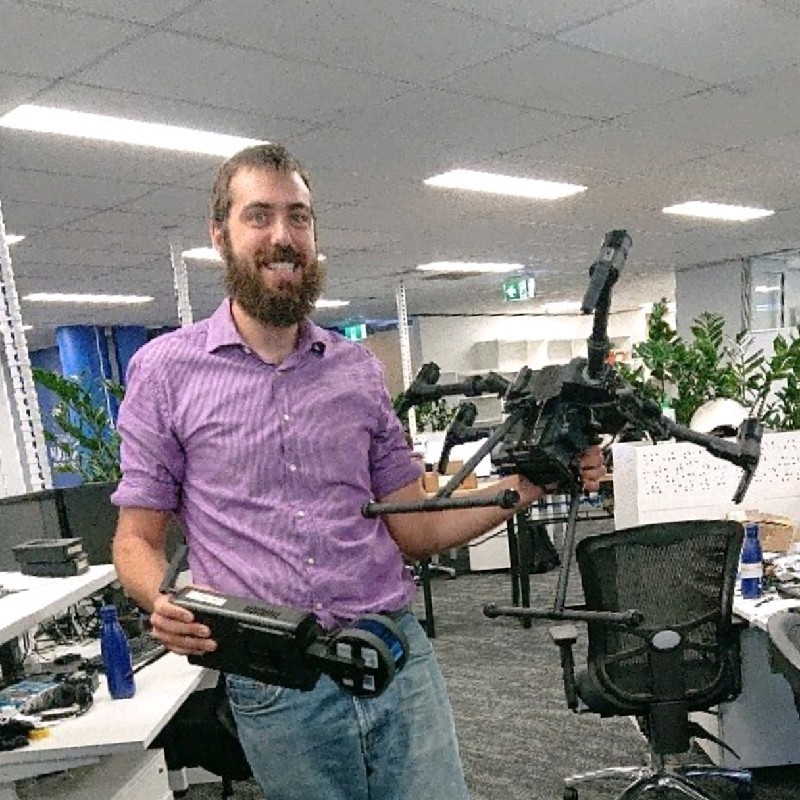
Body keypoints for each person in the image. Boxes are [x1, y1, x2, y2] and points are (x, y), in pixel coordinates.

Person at [110, 143, 606, 800]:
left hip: (393, 654)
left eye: (299, 217)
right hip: (279, 680)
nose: (282, 236)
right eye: (259, 216)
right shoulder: (165, 372)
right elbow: (135, 539)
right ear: (220, 236)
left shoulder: (357, 370)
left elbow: (415, 528)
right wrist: (162, 601)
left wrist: (536, 481)